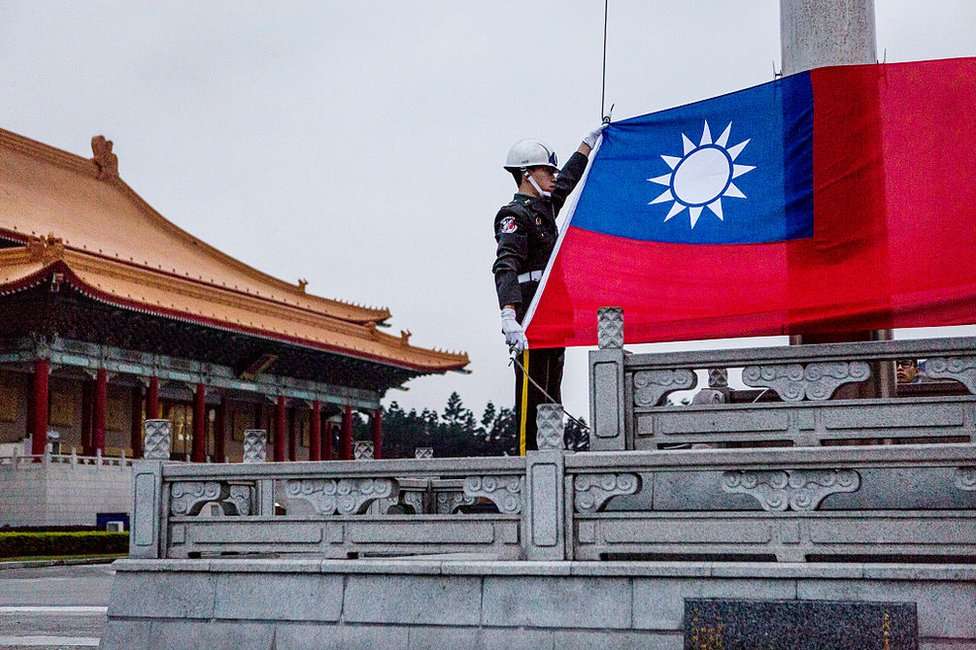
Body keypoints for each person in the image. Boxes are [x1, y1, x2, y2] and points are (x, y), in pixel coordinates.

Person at [492, 126, 604, 453]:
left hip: (554, 310)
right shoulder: (514, 216)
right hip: (529, 311)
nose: (553, 176)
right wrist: (509, 314)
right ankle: (530, 460)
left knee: (552, 389)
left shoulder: (544, 210)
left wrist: (587, 145)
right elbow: (506, 264)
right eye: (546, 171)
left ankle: (551, 454)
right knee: (532, 391)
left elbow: (567, 181)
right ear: (527, 175)